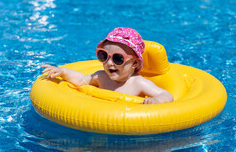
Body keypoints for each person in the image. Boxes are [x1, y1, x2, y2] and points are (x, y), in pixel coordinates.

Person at [41, 27, 174, 104]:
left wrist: (156, 100)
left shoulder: (138, 83)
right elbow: (81, 80)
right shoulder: (101, 76)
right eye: (104, 56)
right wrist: (63, 71)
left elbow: (167, 95)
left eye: (117, 58)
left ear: (135, 63)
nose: (109, 63)